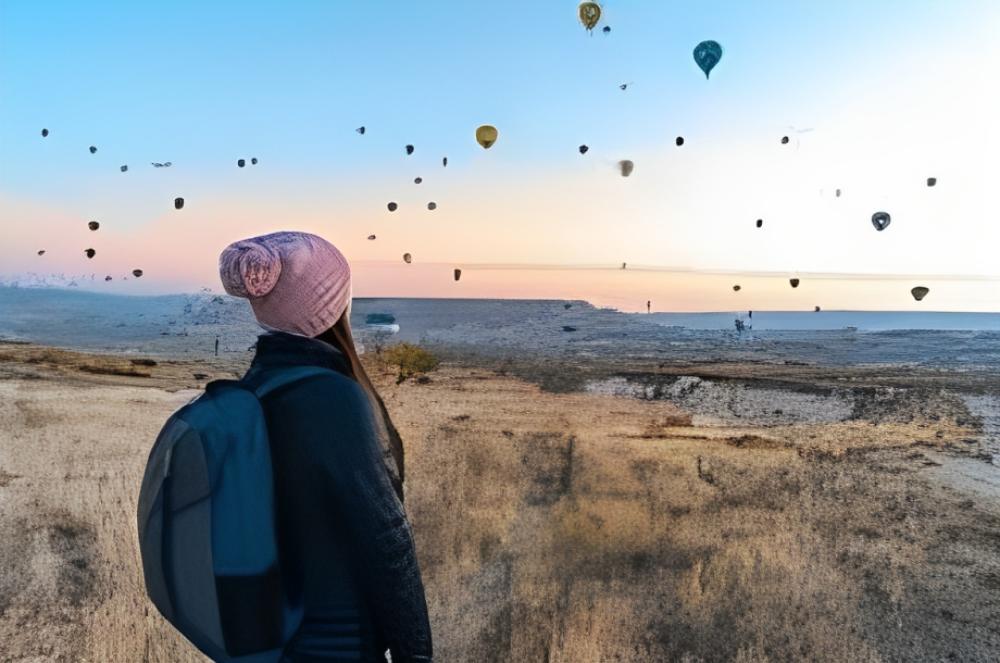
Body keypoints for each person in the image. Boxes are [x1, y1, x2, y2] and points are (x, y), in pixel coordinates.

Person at [219, 231, 433, 662]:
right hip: (336, 640)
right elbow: (386, 537)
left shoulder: (256, 390)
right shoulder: (331, 397)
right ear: (332, 305)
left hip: (274, 637)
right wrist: (417, 656)